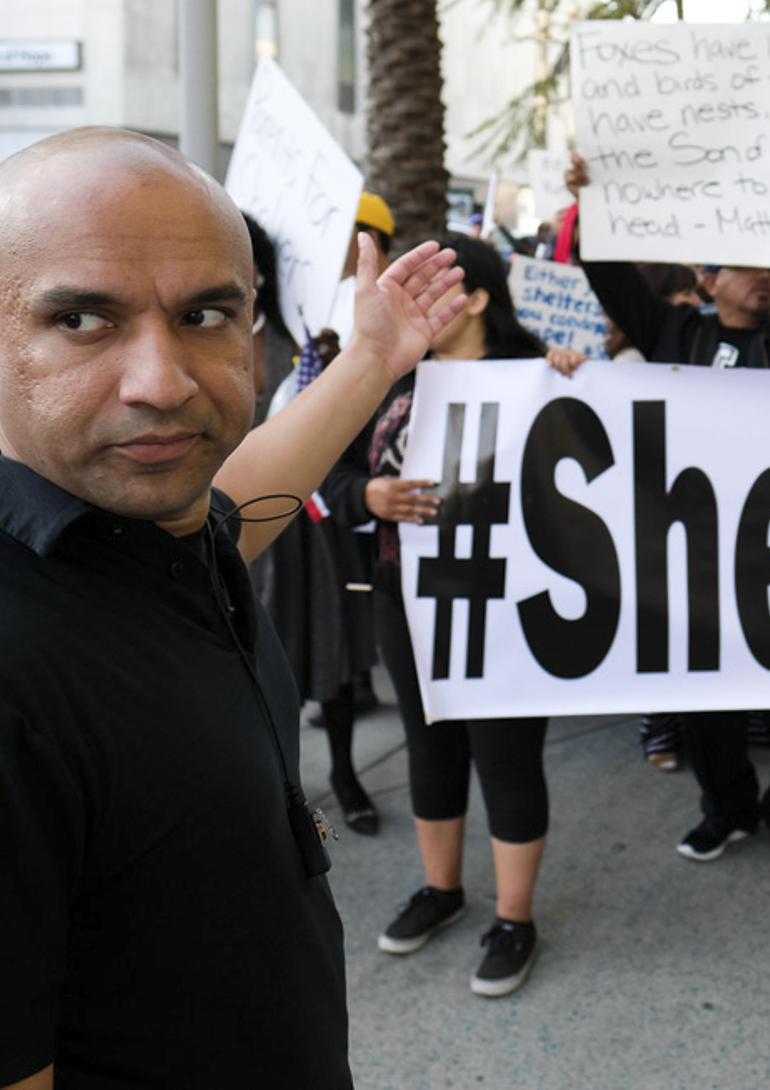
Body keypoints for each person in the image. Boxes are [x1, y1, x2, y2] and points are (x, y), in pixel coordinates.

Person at [0, 128, 464, 1088]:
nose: (161, 382)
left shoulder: (140, 531)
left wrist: (369, 360)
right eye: (84, 321)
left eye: (205, 314)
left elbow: (238, 506)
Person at [565, 151, 770, 872]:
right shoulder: (677, 335)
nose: (763, 275)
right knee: (706, 692)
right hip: (699, 548)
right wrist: (592, 206)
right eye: (744, 265)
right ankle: (726, 809)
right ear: (707, 279)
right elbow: (609, 274)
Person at [322, 234, 557, 996]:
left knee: (506, 754)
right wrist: (368, 496)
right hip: (404, 591)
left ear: (482, 299)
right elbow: (333, 461)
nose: (417, 300)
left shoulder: (537, 376)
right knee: (431, 744)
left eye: (440, 286)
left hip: (507, 601)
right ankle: (442, 889)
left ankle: (516, 920)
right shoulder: (393, 376)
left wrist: (581, 381)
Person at [243, 216, 382, 837]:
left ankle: (347, 775)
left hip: (311, 521)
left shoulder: (302, 337)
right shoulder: (192, 337)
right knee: (265, 664)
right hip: (237, 523)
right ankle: (280, 786)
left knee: (333, 650)